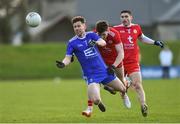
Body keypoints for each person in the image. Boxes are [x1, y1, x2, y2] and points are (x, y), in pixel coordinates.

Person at [56, 16, 129, 118]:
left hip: (104, 71)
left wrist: (95, 42)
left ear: (84, 26)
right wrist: (63, 64)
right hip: (92, 75)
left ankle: (123, 95)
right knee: (96, 100)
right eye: (75, 27)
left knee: (123, 89)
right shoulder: (72, 42)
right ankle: (99, 103)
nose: (77, 28)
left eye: (79, 26)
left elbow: (103, 42)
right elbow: (68, 58)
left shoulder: (91, 35)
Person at [112, 10, 164, 117]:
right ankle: (124, 93)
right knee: (121, 87)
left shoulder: (136, 27)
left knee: (138, 85)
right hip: (120, 62)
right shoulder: (116, 29)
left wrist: (155, 42)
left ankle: (143, 105)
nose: (124, 18)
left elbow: (142, 38)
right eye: (122, 17)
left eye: (126, 16)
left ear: (131, 17)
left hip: (133, 62)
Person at [82, 20, 131, 117]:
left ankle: (124, 95)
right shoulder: (95, 34)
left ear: (108, 30)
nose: (102, 37)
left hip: (115, 61)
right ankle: (91, 107)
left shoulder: (114, 34)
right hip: (102, 62)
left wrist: (113, 66)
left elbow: (121, 53)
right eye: (100, 35)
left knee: (122, 82)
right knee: (93, 83)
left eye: (104, 34)